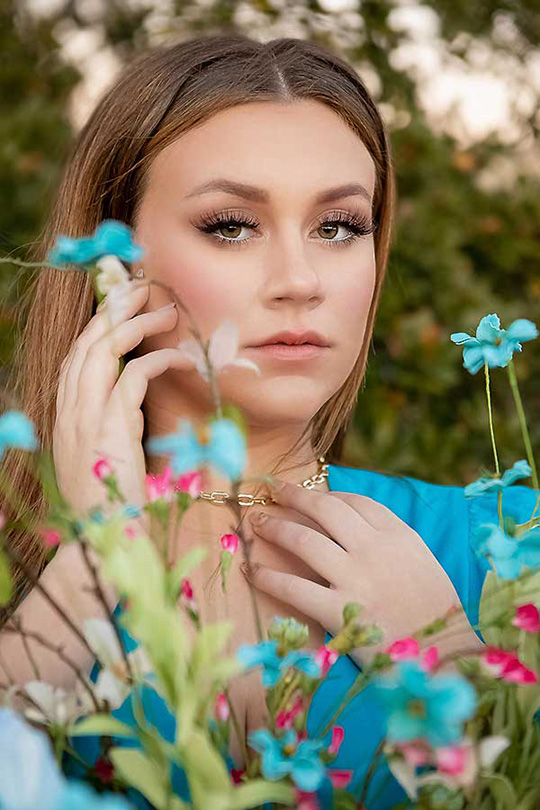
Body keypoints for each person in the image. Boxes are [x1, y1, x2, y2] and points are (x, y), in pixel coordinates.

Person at [0, 34, 537, 809]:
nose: (300, 280)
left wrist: (450, 657)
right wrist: (93, 561)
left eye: (339, 226)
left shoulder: (508, 548)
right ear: (115, 262)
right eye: (231, 224)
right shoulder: (19, 556)